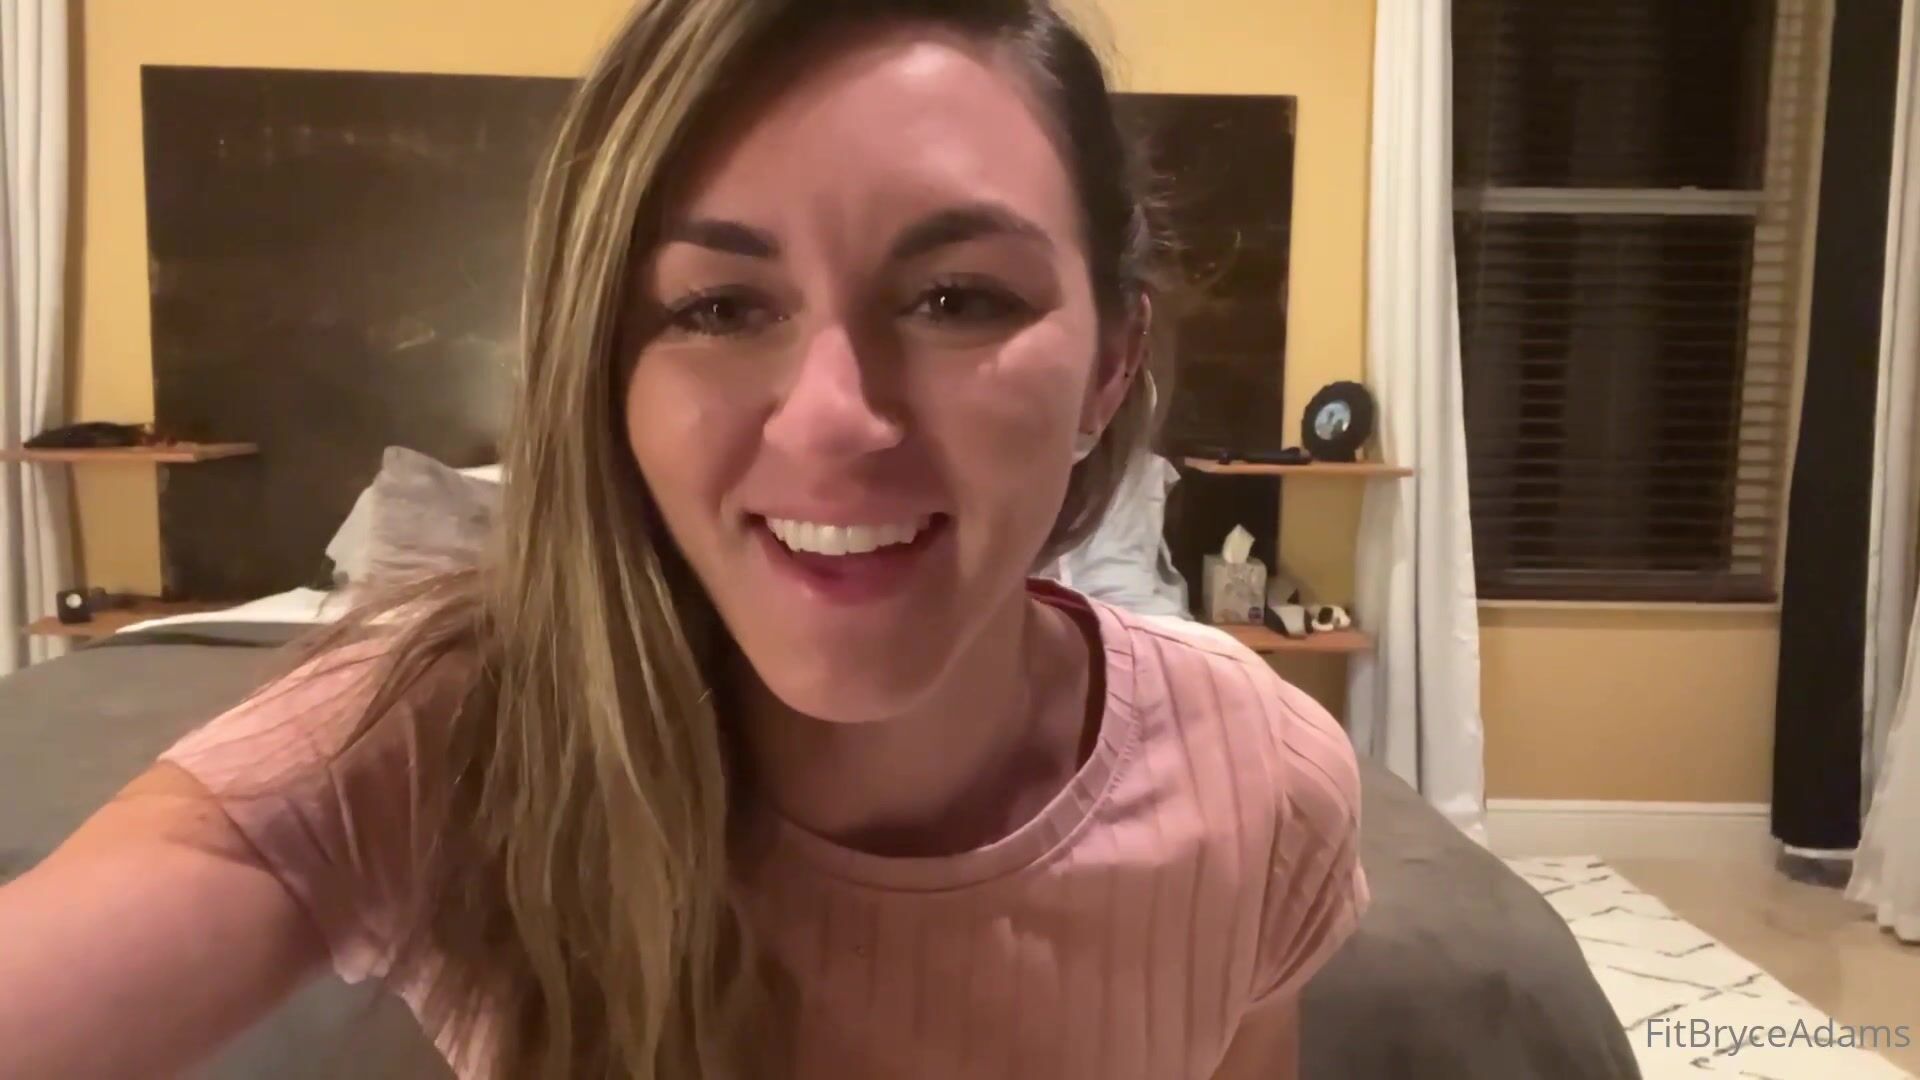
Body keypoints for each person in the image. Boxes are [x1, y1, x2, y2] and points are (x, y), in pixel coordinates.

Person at [0, 0, 1367, 1076]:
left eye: (958, 297)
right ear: (607, 372)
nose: (835, 420)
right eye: (717, 308)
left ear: (1112, 364)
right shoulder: (455, 734)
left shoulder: (1260, 780)